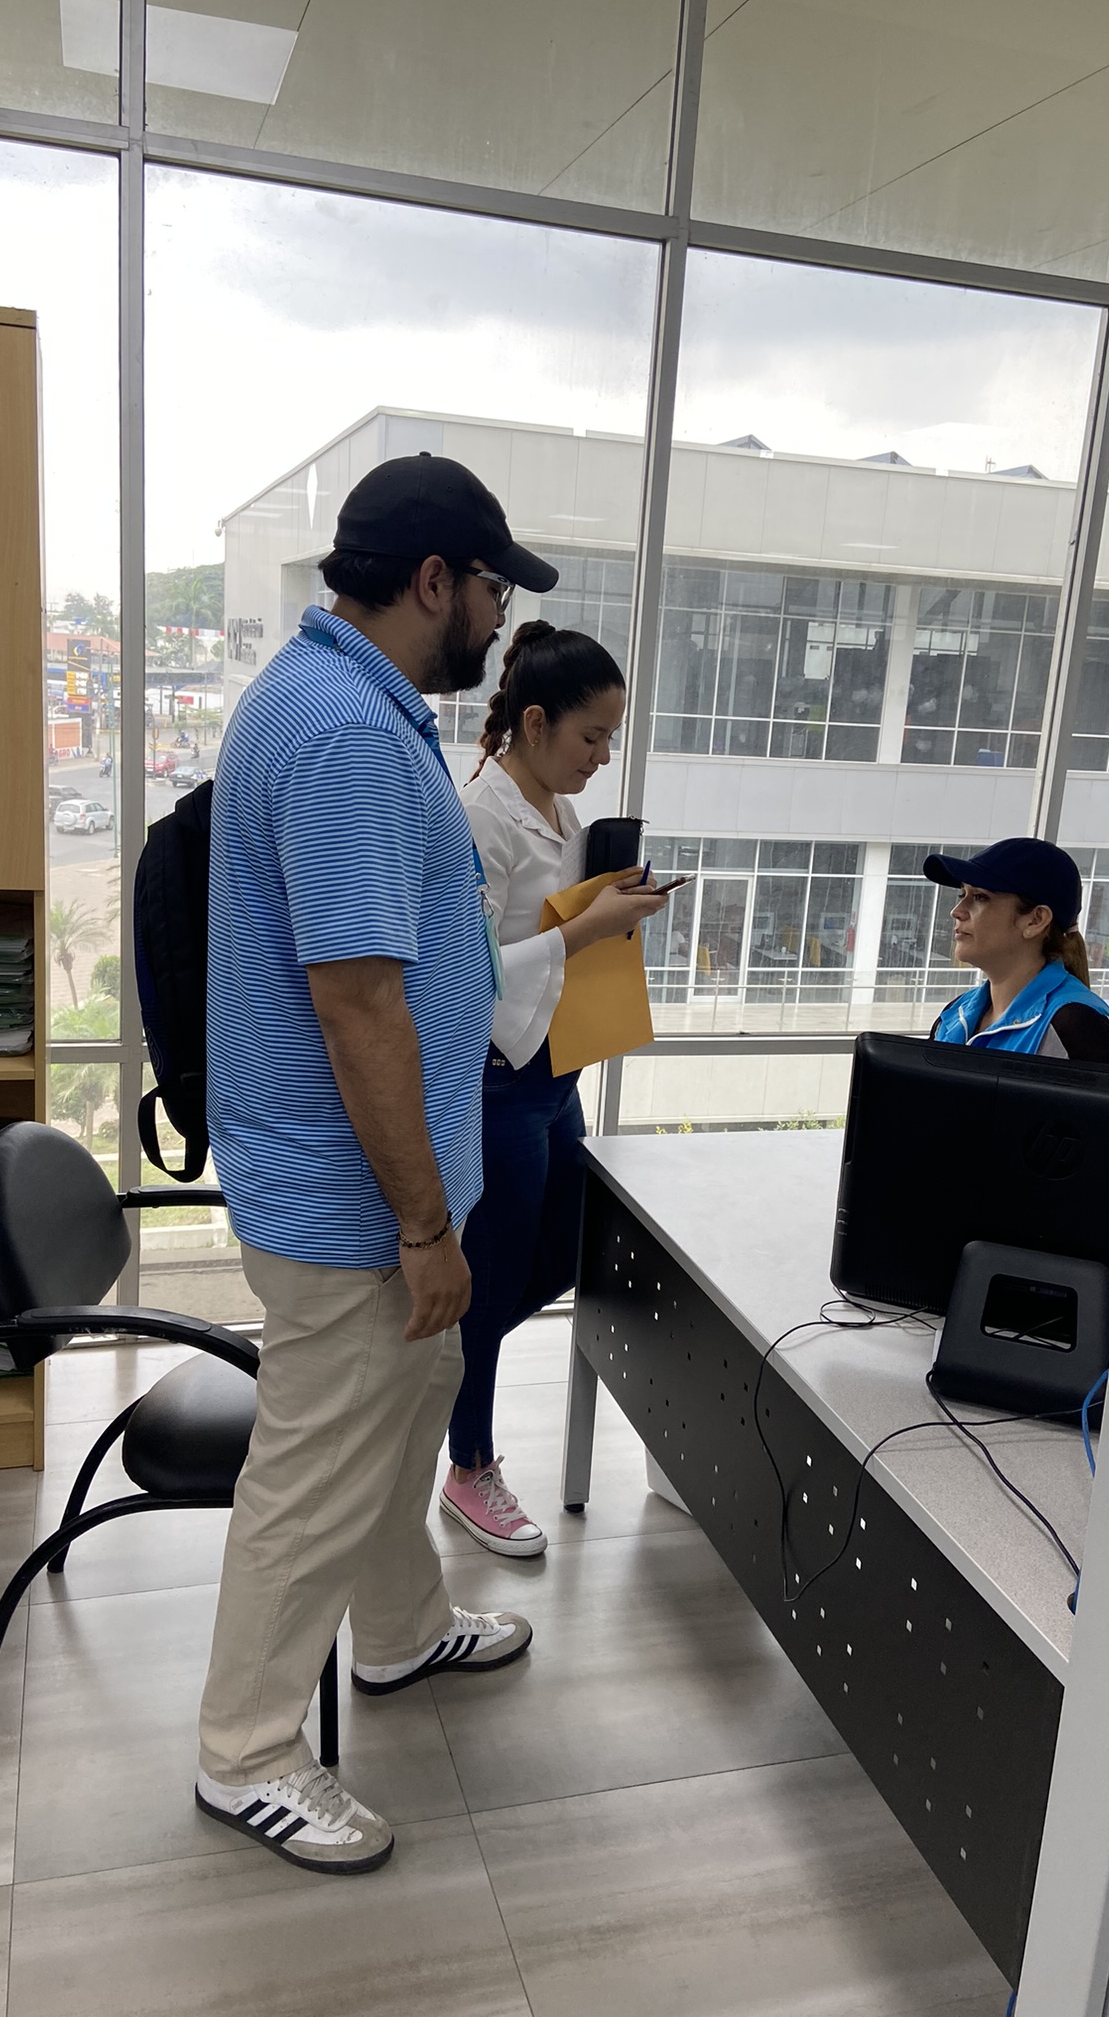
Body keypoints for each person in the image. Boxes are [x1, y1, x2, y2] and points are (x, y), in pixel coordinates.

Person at [194, 452, 559, 1876]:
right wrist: (422, 1223)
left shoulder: (341, 697)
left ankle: (399, 1632)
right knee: (317, 1473)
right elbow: (356, 1003)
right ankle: (245, 1753)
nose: (498, 618)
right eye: (492, 590)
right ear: (433, 580)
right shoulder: (347, 731)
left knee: (402, 1422)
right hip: (353, 1202)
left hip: (385, 1189)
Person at [441, 622, 668, 1557]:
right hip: (498, 1078)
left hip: (554, 1067)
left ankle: (445, 1362)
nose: (601, 757)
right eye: (590, 737)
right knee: (492, 1274)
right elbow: (466, 970)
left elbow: (555, 931)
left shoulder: (560, 813)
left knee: (568, 1248)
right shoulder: (480, 815)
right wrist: (587, 928)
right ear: (534, 723)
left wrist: (615, 906)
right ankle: (469, 1464)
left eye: (611, 739)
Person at [923, 837, 1109, 1066]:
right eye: (962, 894)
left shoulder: (1081, 1028)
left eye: (980, 897)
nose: (957, 911)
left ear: (1036, 920)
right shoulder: (956, 1013)